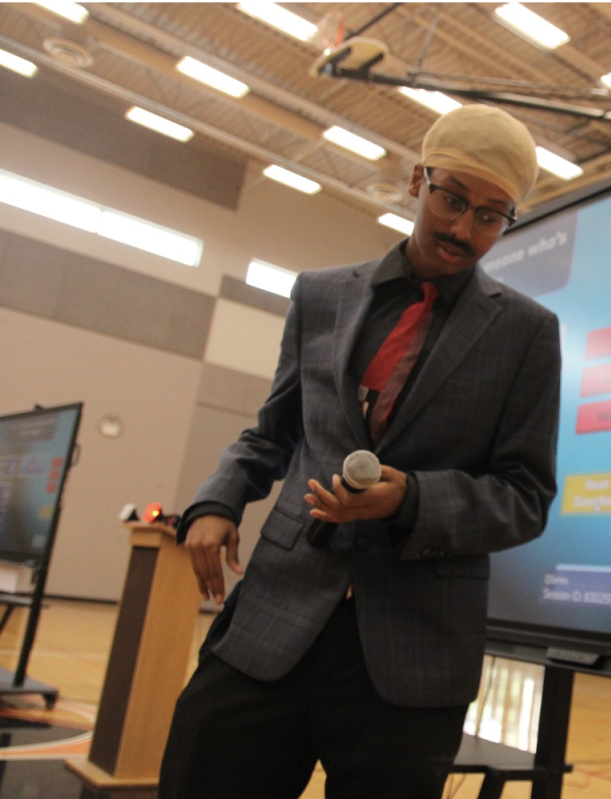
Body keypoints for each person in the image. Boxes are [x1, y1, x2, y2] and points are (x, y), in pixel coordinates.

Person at [159, 104, 562, 799]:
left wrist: (410, 498)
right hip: (274, 619)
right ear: (417, 180)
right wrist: (218, 499)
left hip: (414, 652)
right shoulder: (319, 296)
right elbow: (273, 431)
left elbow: (525, 497)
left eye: (491, 216)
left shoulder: (527, 333)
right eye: (453, 200)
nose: (464, 229)